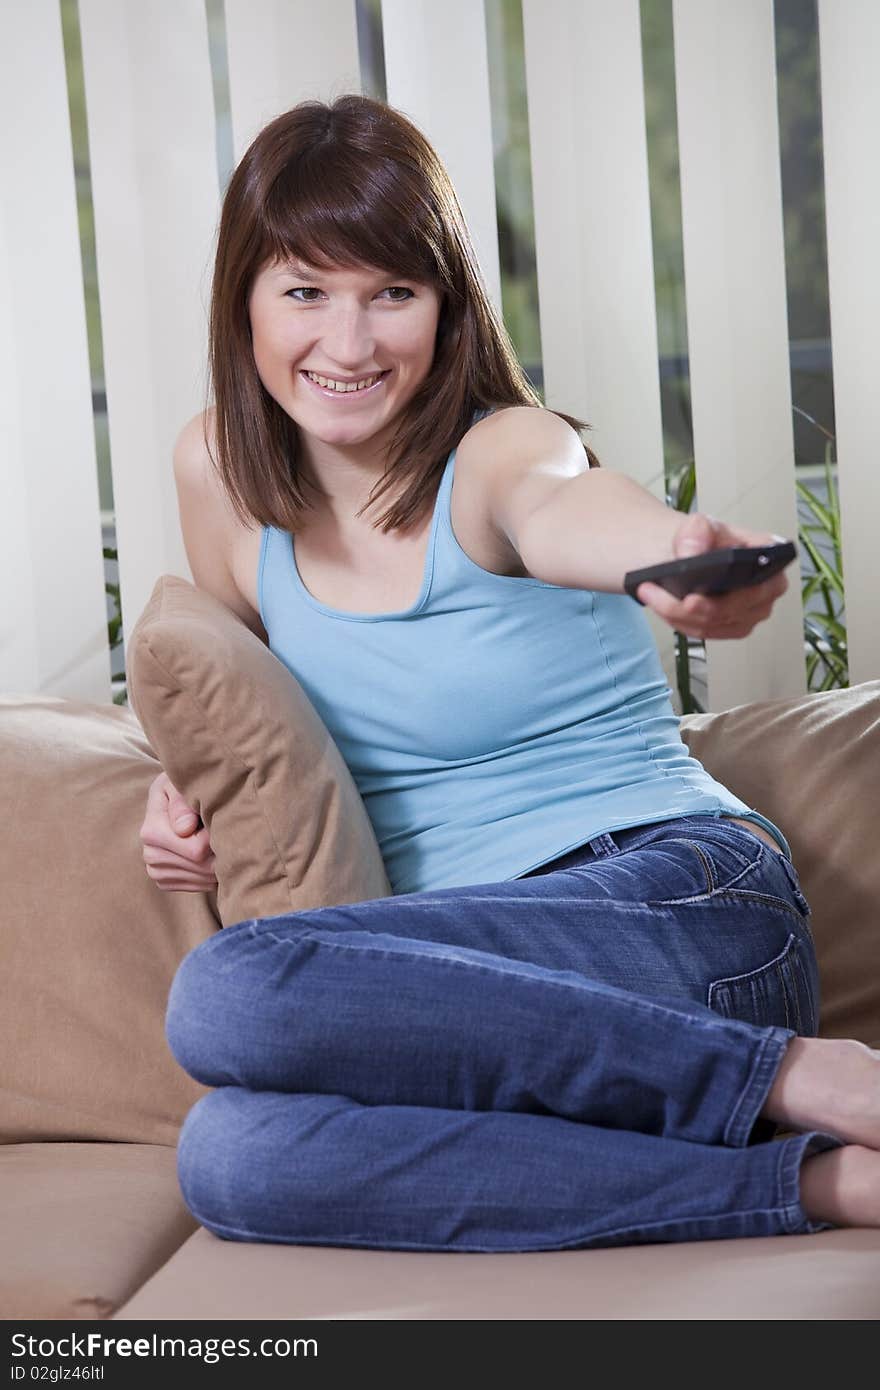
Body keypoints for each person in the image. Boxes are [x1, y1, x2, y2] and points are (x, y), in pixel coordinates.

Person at [140, 94, 880, 1251]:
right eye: (305, 292)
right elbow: (239, 700)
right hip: (467, 1001)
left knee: (229, 991)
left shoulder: (497, 451)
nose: (348, 342)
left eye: (393, 292)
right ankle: (824, 1183)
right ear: (244, 298)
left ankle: (800, 1073)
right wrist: (176, 793)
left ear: (446, 306)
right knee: (231, 1158)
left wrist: (665, 559)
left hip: (680, 910)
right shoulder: (218, 472)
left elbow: (563, 505)